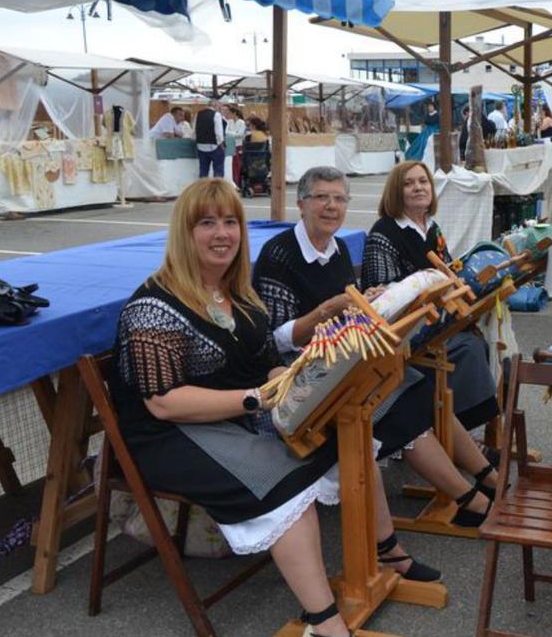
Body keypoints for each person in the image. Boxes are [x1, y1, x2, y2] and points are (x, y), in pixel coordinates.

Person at [111, 179, 434, 637]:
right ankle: (324, 621)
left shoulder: (237, 296)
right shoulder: (153, 306)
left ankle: (388, 553)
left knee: (351, 438)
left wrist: (307, 384)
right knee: (284, 485)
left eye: (230, 223)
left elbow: (265, 364)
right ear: (184, 233)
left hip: (232, 416)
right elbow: (163, 402)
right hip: (170, 435)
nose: (222, 234)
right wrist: (257, 399)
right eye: (207, 223)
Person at [256, 166, 496, 528]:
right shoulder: (280, 254)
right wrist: (328, 310)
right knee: (394, 399)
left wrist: (365, 301)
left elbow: (346, 311)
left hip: (343, 354)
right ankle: (469, 498)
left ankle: (484, 476)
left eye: (339, 199)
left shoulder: (335, 248)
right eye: (322, 197)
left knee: (418, 385)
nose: (331, 207)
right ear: (301, 203)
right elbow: (275, 338)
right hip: (301, 368)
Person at [362, 160, 503, 433]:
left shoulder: (432, 228)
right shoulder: (384, 233)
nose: (418, 188)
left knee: (482, 336)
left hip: (436, 318)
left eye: (423, 182)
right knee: (469, 348)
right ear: (395, 192)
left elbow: (449, 272)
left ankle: (462, 430)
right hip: (405, 331)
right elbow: (381, 293)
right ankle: (461, 432)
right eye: (409, 183)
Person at [195, 99, 226, 178]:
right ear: (215, 105)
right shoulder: (216, 115)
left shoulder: (198, 114)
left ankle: (202, 188)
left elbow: (194, 130)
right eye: (219, 106)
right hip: (214, 146)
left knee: (203, 170)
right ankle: (217, 189)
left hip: (200, 145)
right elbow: (218, 132)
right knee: (218, 170)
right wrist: (221, 144)